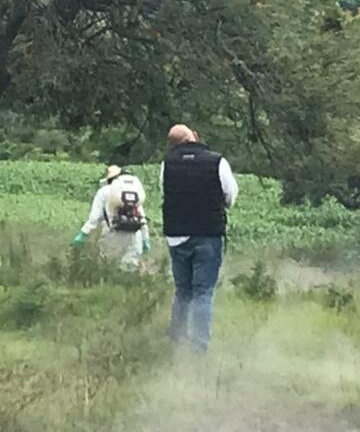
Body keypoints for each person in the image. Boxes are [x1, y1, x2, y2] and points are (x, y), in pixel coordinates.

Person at [160, 124, 238, 353]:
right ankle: (199, 347)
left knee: (182, 290)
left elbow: (166, 193)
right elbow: (230, 195)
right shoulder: (217, 161)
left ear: (173, 143)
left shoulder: (167, 164)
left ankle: (176, 339)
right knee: (203, 292)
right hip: (208, 233)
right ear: (194, 135)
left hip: (177, 235)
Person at [71, 165, 150, 270]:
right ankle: (131, 285)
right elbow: (141, 216)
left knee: (111, 266)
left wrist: (83, 233)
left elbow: (95, 216)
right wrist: (145, 239)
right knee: (131, 267)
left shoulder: (104, 191)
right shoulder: (134, 192)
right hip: (134, 234)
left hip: (112, 233)